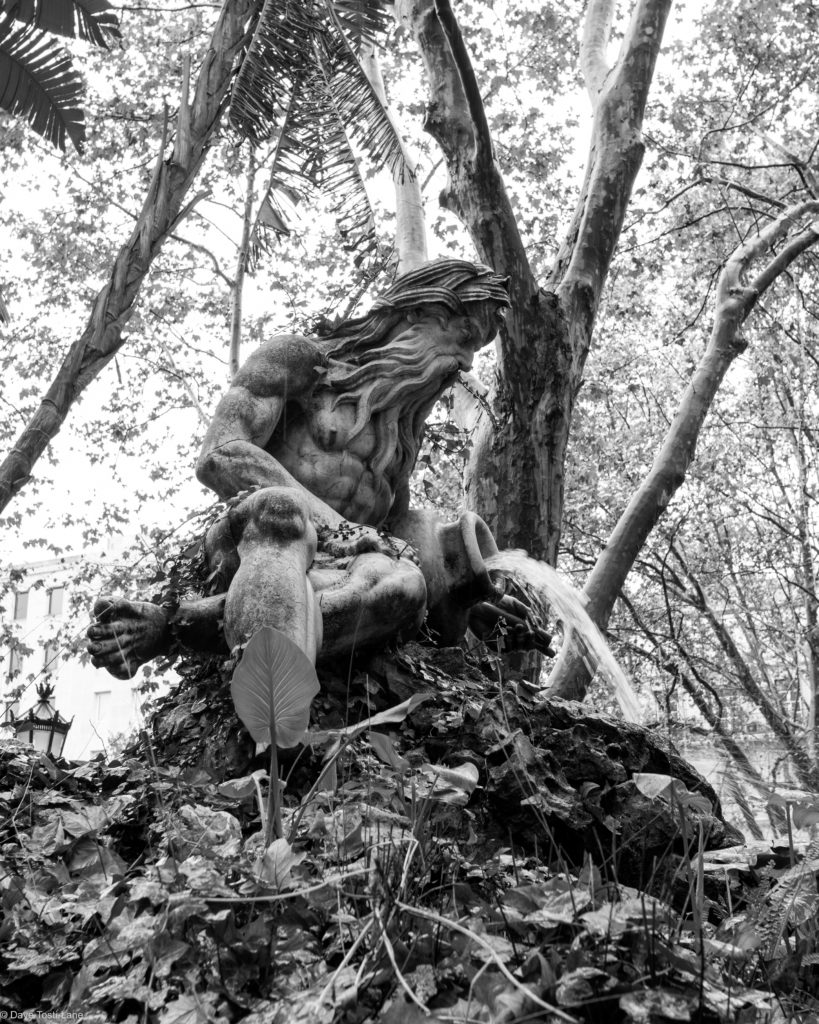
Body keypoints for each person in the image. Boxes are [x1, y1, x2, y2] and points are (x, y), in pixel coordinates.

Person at [88, 259, 549, 680]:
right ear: (417, 314)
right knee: (282, 510)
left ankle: (175, 626)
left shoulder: (401, 439)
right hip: (258, 537)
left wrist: (465, 597)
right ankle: (265, 697)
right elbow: (221, 454)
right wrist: (338, 527)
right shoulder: (302, 361)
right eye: (465, 337)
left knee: (403, 584)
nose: (467, 362)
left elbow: (400, 539)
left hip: (341, 577)